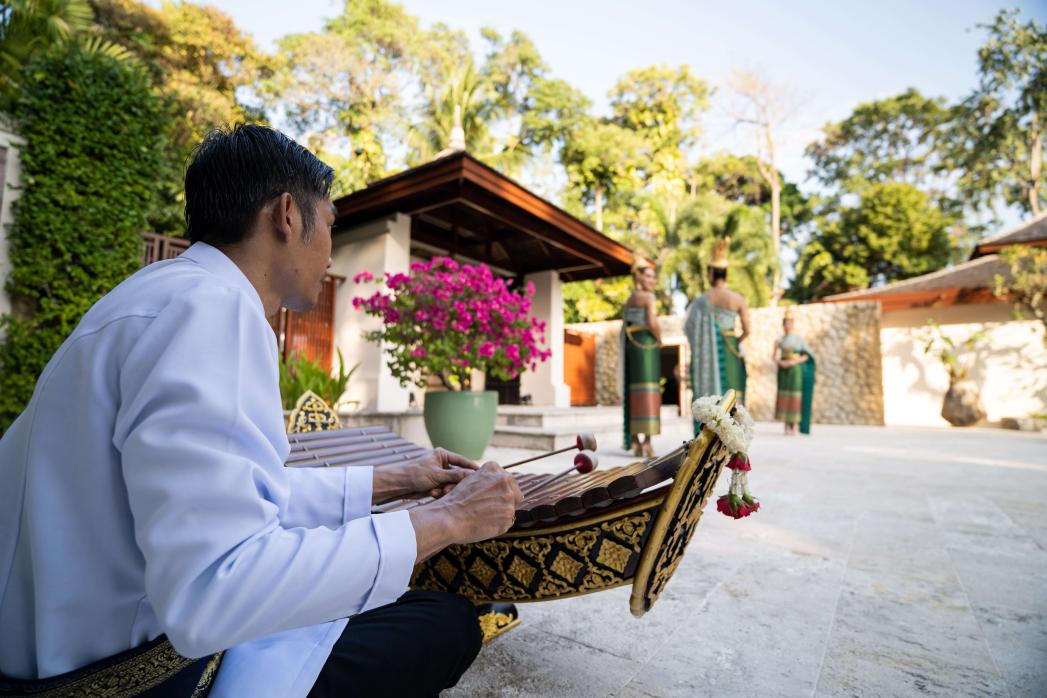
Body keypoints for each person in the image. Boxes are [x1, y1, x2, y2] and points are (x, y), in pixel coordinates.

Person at [0, 124, 523, 698]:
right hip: (112, 677)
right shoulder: (211, 311)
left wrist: (396, 480)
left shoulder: (162, 293)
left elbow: (227, 496)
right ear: (287, 216)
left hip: (47, 650)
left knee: (387, 592)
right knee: (442, 622)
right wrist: (448, 520)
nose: (330, 251)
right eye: (331, 223)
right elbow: (215, 590)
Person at [683, 238, 749, 436]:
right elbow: (747, 330)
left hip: (707, 357)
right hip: (732, 352)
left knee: (713, 396)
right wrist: (734, 342)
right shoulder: (738, 299)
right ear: (726, 273)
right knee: (734, 395)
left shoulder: (701, 301)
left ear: (710, 274)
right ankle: (733, 441)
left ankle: (706, 441)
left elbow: (689, 328)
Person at [621, 262, 662, 458]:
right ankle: (647, 442)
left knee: (633, 389)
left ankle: (635, 441)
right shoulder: (649, 297)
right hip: (646, 344)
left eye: (653, 277)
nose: (652, 280)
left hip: (631, 345)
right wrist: (660, 339)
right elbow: (652, 322)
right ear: (638, 277)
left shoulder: (630, 299)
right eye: (648, 276)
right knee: (649, 389)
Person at [774, 310, 816, 435]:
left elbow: (807, 355)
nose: (787, 326)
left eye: (790, 323)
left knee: (795, 395)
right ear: (783, 325)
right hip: (783, 370)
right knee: (785, 394)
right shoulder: (779, 340)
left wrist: (794, 362)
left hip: (795, 370)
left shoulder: (798, 339)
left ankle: (795, 424)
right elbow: (774, 356)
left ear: (793, 324)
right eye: (785, 323)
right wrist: (780, 362)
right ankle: (786, 423)